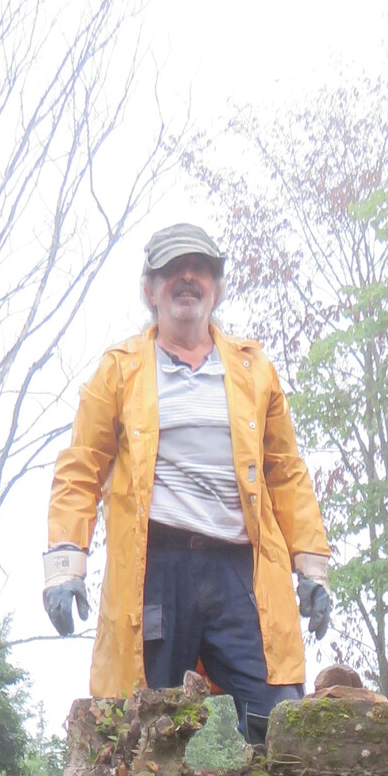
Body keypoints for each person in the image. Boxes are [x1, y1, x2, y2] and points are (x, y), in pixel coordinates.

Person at [43, 222, 332, 745]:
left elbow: (285, 471)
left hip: (241, 574)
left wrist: (311, 567)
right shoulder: (119, 371)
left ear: (216, 290)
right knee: (135, 732)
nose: (187, 279)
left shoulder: (254, 371)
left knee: (282, 725)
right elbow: (81, 467)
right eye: (173, 270)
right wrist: (65, 567)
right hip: (155, 570)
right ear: (150, 291)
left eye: (200, 270)